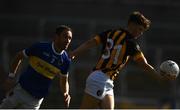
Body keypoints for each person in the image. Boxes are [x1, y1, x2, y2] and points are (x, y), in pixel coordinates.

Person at [70, 11, 175, 109]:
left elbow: (90, 42)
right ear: (132, 24)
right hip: (99, 78)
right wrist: (158, 77)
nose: (140, 33)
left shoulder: (111, 33)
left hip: (108, 82)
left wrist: (74, 53)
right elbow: (143, 64)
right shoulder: (131, 43)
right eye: (139, 29)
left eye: (142, 31)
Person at [0, 25, 72, 109]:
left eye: (70, 38)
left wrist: (66, 93)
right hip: (19, 91)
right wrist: (11, 76)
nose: (68, 40)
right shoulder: (40, 47)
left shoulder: (66, 61)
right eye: (65, 37)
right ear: (56, 37)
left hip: (35, 101)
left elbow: (64, 81)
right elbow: (19, 56)